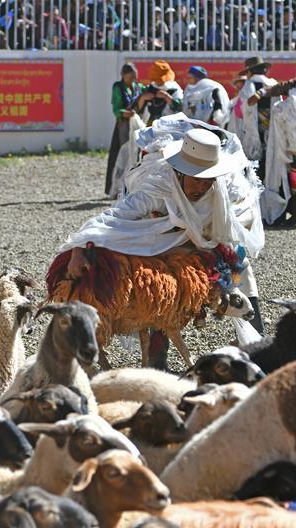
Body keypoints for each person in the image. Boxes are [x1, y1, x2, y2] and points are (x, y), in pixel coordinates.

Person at [62, 123, 266, 344]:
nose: (202, 187)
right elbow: (115, 216)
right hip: (168, 242)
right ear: (179, 173)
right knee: (159, 283)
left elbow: (243, 222)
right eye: (196, 179)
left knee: (241, 270)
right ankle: (158, 350)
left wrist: (219, 252)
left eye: (208, 180)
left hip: (212, 242)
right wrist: (81, 245)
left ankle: (256, 341)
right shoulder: (157, 188)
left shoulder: (229, 189)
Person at [253, 55, 296, 228]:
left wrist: (291, 114)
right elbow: (278, 88)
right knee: (292, 178)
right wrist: (261, 92)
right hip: (289, 138)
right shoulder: (294, 85)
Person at [105, 63, 144, 197]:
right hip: (124, 124)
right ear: (123, 76)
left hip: (135, 124)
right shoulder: (118, 87)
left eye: (134, 77)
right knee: (123, 155)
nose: (132, 80)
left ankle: (132, 185)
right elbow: (116, 107)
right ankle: (117, 186)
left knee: (136, 154)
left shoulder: (138, 87)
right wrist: (123, 113)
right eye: (129, 78)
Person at [239, 56, 277, 181]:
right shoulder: (273, 84)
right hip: (272, 131)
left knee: (255, 166)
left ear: (250, 72)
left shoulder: (248, 86)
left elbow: (245, 107)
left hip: (255, 133)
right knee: (271, 163)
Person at [135, 60, 183, 126]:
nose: (158, 82)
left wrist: (167, 96)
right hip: (149, 124)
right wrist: (143, 98)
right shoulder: (150, 88)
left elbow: (180, 107)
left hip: (168, 125)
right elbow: (137, 110)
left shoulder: (174, 88)